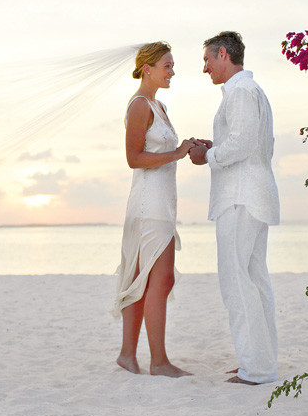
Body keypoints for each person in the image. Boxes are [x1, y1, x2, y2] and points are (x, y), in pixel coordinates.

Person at [188, 31, 280, 385]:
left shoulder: (241, 92)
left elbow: (242, 143)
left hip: (241, 197)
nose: (205, 69)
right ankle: (259, 360)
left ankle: (256, 368)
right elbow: (252, 142)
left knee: (237, 283)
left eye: (208, 61)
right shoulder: (250, 92)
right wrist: (217, 146)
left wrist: (208, 155)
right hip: (251, 194)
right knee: (254, 281)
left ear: (223, 54)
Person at [114, 42, 197, 377]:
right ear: (147, 68)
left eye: (173, 65)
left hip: (162, 201)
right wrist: (176, 154)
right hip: (149, 204)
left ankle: (127, 356)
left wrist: (188, 148)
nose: (172, 71)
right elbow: (134, 159)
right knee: (159, 279)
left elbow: (164, 149)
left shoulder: (159, 105)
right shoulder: (138, 106)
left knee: (144, 278)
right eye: (167, 65)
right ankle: (159, 362)